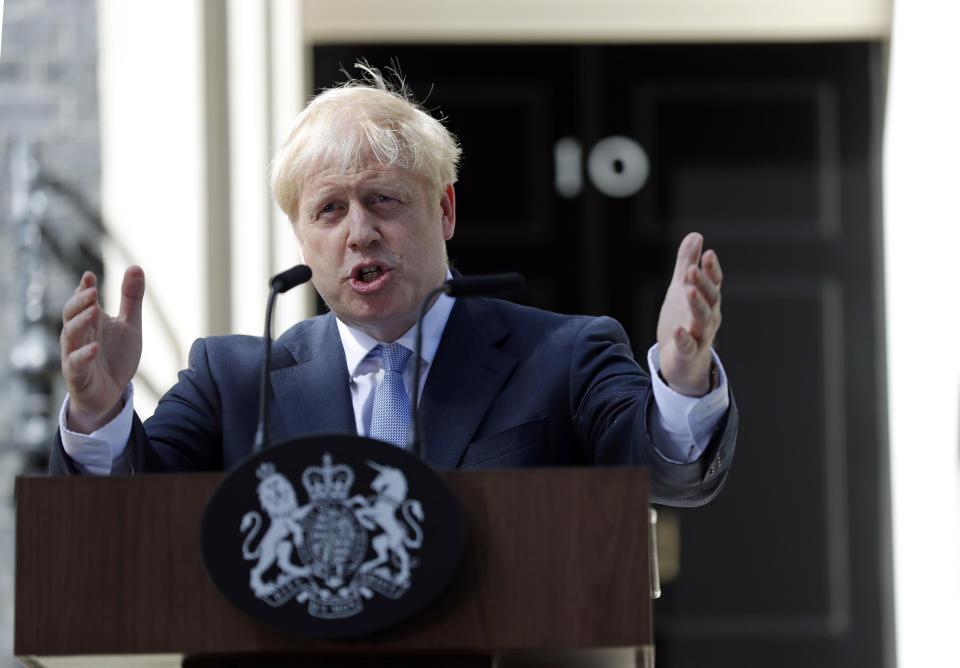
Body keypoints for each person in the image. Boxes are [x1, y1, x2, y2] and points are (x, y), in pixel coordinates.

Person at [51, 65, 737, 506]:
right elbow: (125, 520)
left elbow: (663, 477)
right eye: (329, 210)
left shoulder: (564, 355)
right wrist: (99, 415)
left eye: (382, 200)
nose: (359, 233)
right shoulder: (230, 381)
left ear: (444, 210)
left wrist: (679, 379)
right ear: (301, 240)